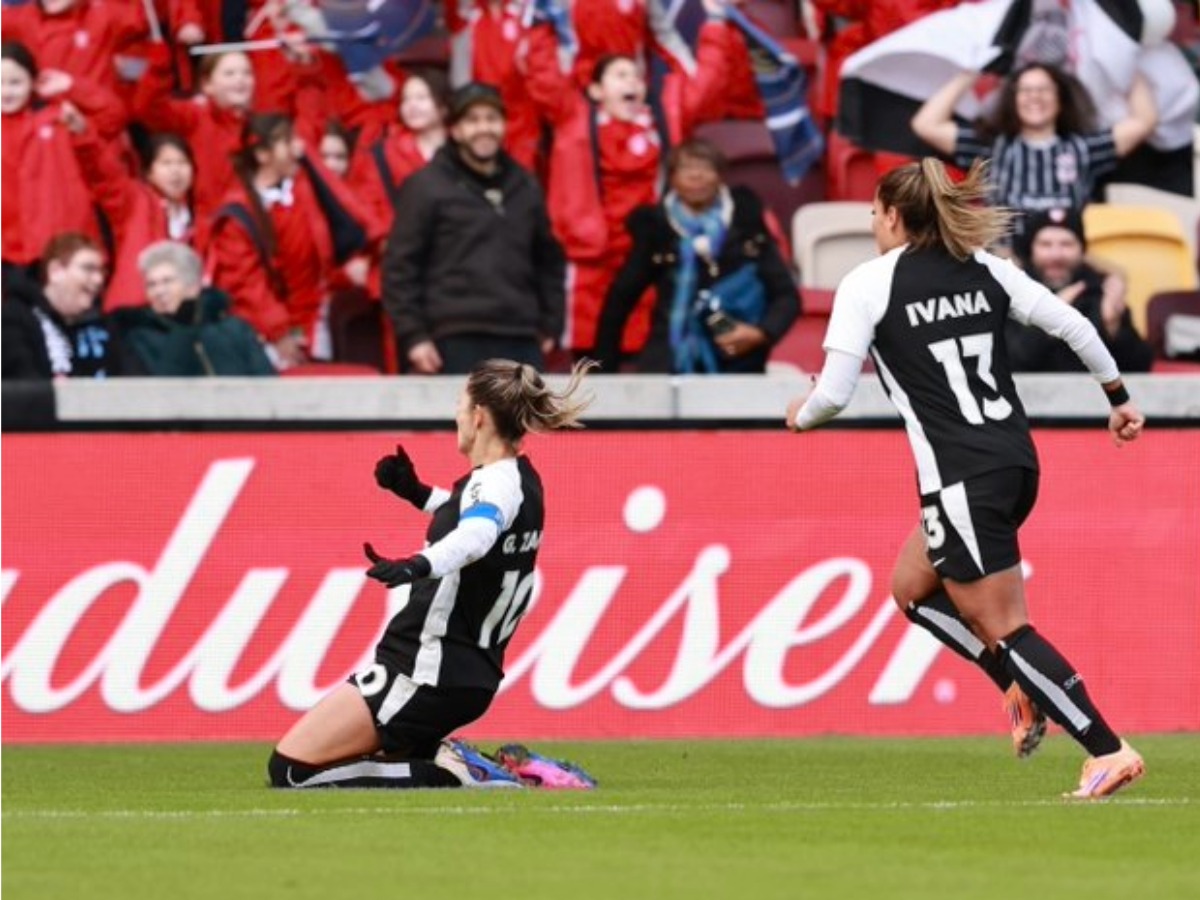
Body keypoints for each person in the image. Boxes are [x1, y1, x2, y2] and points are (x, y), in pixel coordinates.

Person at [785, 158, 1147, 799]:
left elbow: (834, 394)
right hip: (1014, 465)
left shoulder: (869, 282)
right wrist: (1117, 397)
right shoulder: (985, 268)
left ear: (894, 215)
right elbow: (1075, 325)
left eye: (873, 212)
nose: (871, 223)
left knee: (1008, 627)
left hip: (959, 478)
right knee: (913, 589)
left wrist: (800, 414)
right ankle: (1016, 686)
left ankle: (1106, 749)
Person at [268, 358, 596, 789]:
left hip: (422, 673)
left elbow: (476, 535)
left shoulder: (492, 485)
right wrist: (417, 493)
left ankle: (460, 771)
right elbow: (477, 522)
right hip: (466, 676)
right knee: (383, 757)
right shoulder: (519, 479)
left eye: (460, 405)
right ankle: (477, 764)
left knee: (291, 770)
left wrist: (417, 565)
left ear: (478, 416)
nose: (456, 415)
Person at [381, 83, 566, 375]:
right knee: (467, 422)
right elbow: (399, 268)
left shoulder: (526, 185)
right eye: (473, 120)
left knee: (521, 422)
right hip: (454, 336)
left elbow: (549, 261)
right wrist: (414, 336)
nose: (484, 128)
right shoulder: (426, 186)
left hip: (520, 335)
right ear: (454, 130)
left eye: (492, 119)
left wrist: (551, 324)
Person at [595, 139, 799, 374]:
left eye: (705, 168)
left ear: (720, 175)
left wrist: (760, 333)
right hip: (668, 362)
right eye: (686, 169)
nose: (696, 177)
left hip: (736, 362)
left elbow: (786, 295)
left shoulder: (746, 224)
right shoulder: (656, 230)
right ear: (671, 180)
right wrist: (602, 372)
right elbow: (619, 301)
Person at [910, 62, 1157, 243]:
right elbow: (926, 124)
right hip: (1005, 271)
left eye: (1044, 90)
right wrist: (971, 72)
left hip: (1064, 271)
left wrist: (1126, 59)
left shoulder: (1082, 148)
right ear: (1013, 99)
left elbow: (1144, 121)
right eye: (1026, 90)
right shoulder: (991, 147)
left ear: (1060, 100)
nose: (1034, 97)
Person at [1008, 208, 1153, 373]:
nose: (1056, 255)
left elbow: (1140, 370)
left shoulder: (1101, 293)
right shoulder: (1013, 294)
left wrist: (1113, 328)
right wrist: (1049, 321)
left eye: (1066, 244)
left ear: (1082, 251)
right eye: (1045, 245)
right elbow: (1008, 363)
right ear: (1031, 250)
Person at [111, 241, 275, 377]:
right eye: (151, 285)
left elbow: (265, 380)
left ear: (193, 286)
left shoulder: (233, 329)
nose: (159, 292)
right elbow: (164, 388)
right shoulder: (141, 337)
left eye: (167, 281)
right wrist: (184, 329)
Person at [2, 233, 140, 379]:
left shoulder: (104, 325)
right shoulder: (15, 319)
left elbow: (136, 379)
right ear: (55, 271)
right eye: (88, 269)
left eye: (101, 271)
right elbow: (21, 383)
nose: (99, 280)